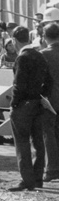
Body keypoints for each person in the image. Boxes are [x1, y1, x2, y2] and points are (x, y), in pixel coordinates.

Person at [9, 26, 51, 191]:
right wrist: (42, 96)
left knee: (22, 142)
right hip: (37, 103)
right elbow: (49, 81)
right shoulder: (40, 56)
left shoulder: (22, 58)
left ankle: (27, 180)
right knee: (38, 142)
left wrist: (14, 103)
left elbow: (18, 84)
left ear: (14, 40)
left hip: (23, 105)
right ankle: (37, 178)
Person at [41, 23, 59, 183]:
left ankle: (52, 169)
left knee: (49, 133)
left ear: (45, 37)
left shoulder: (44, 54)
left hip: (50, 100)